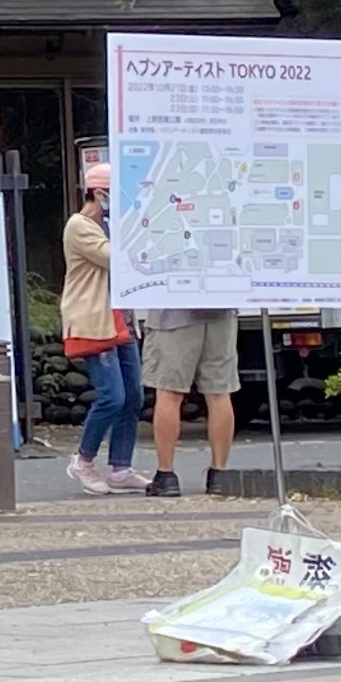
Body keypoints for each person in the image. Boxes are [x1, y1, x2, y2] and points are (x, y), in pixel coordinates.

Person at [63, 151, 142, 494]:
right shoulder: (79, 225)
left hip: (122, 319)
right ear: (98, 193)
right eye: (114, 194)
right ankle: (83, 460)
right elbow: (114, 258)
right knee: (112, 396)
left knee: (134, 395)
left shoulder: (112, 225)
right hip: (95, 318)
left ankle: (121, 469)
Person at [138, 302, 237, 498]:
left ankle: (166, 475)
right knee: (219, 393)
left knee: (169, 393)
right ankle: (219, 475)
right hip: (222, 314)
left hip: (173, 316)